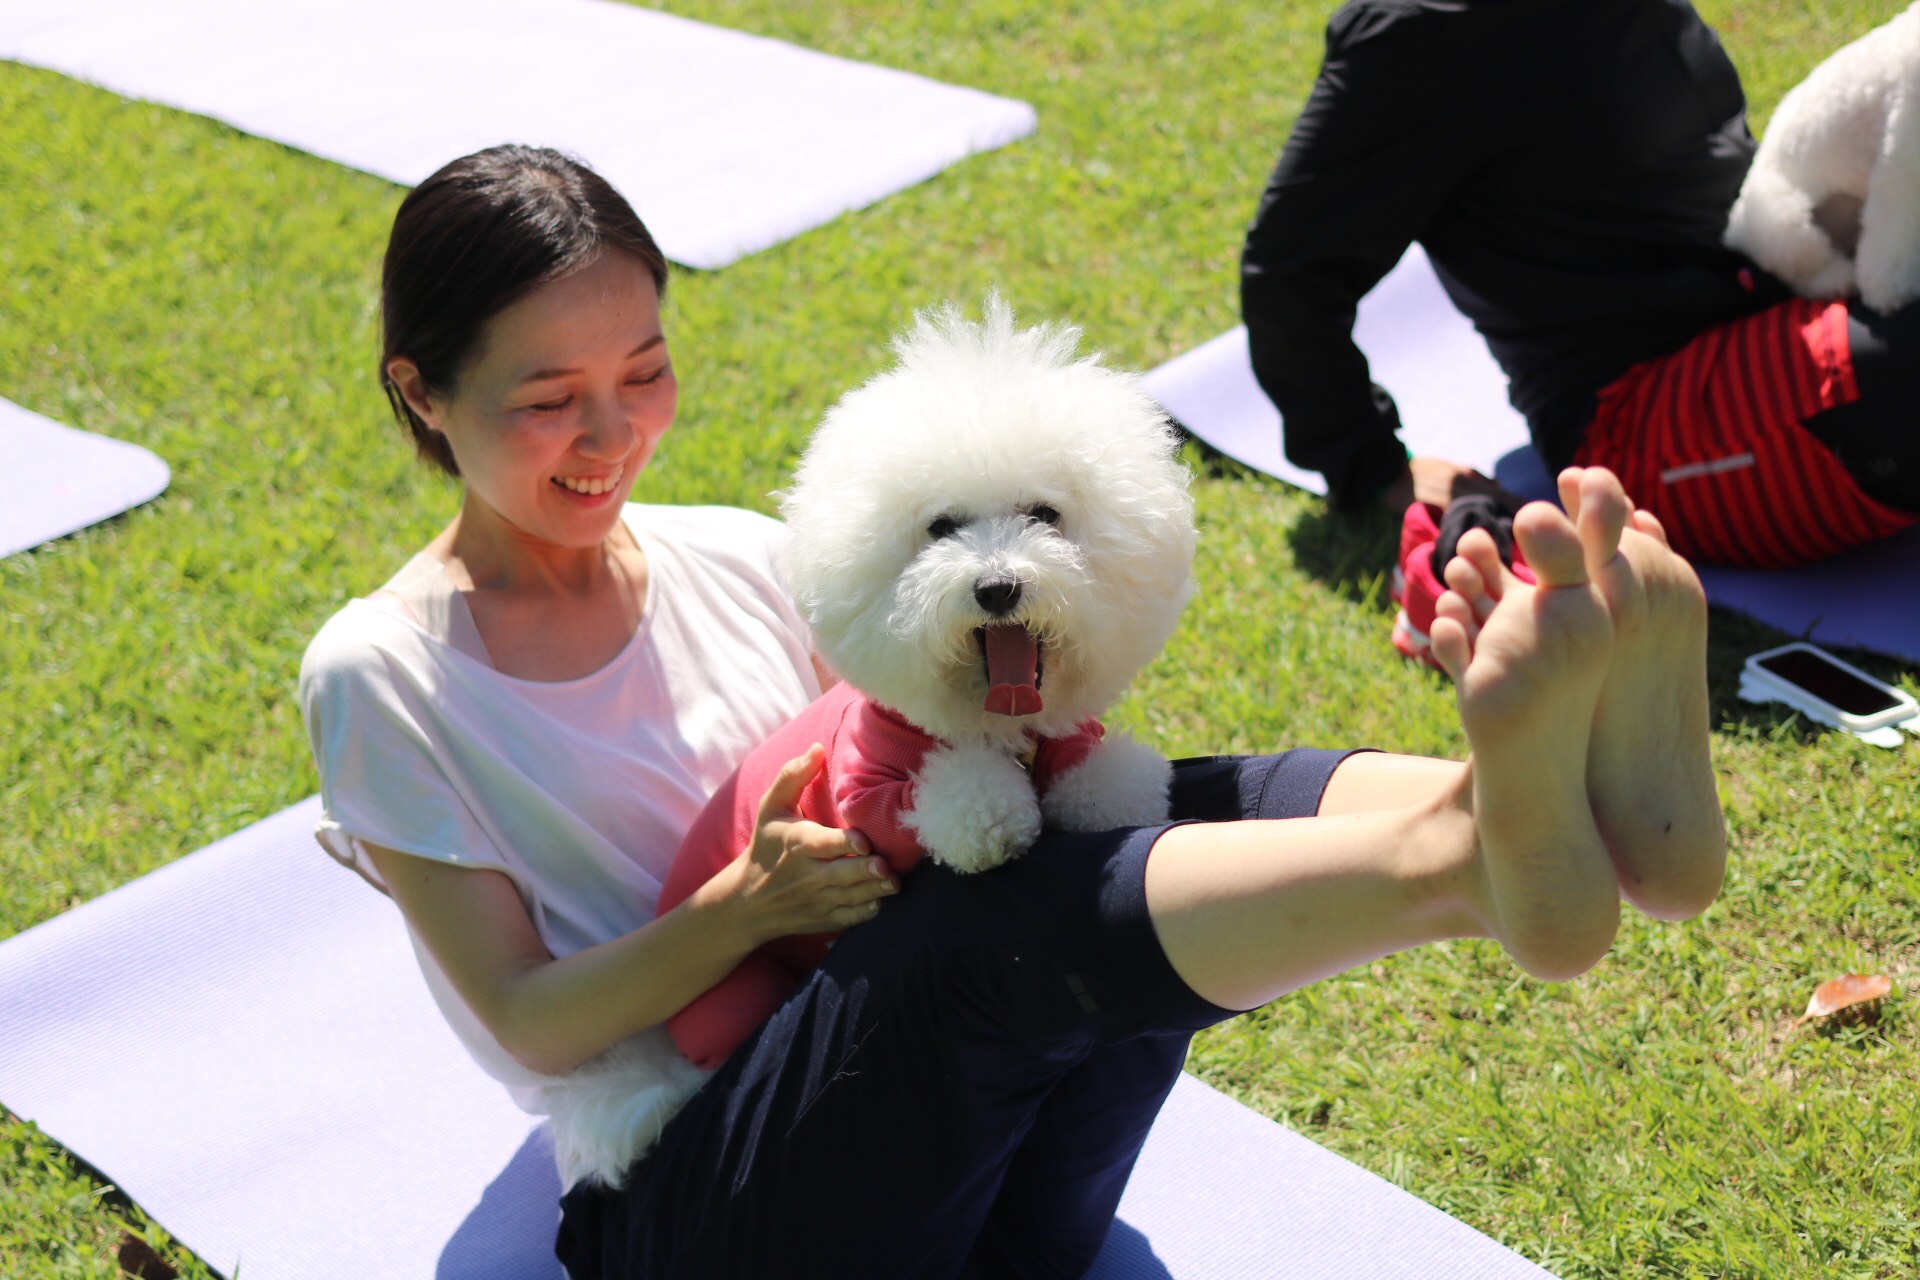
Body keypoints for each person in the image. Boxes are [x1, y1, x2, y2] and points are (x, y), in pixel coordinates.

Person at [299, 144, 1727, 1278]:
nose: (611, 437)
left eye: (644, 372)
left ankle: (1574, 816)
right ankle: (1471, 862)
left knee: (1149, 807)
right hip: (698, 1202)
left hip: (983, 1198)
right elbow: (532, 1023)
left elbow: (920, 756)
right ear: (421, 395)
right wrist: (739, 909)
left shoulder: (732, 551)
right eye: (550, 398)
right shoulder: (384, 675)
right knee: (993, 920)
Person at [1241, 0, 1920, 571]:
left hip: (1776, 301)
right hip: (1642, 419)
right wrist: (1371, 463)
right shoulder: (1421, 29)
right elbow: (1288, 272)